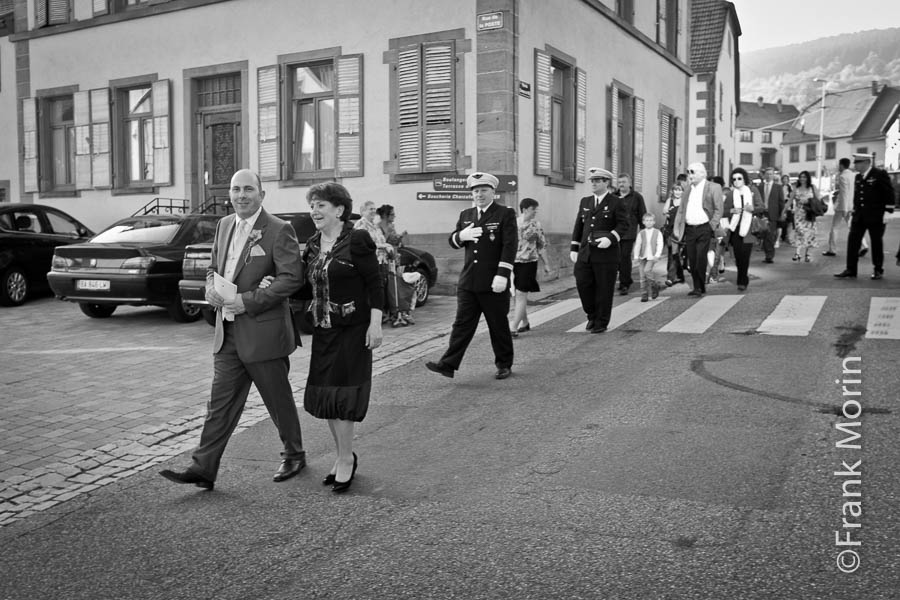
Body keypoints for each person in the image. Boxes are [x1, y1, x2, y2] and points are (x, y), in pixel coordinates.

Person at [159, 169, 305, 491]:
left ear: (261, 195)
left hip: (263, 332)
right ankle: (204, 467)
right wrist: (210, 287)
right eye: (236, 190)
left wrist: (247, 301)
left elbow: (291, 278)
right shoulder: (224, 225)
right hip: (227, 332)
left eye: (248, 189)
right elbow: (214, 268)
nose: (241, 195)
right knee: (220, 404)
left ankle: (294, 454)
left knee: (277, 400)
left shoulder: (279, 230)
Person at [299, 182, 384, 493]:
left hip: (353, 329)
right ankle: (342, 455)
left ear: (339, 210)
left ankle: (346, 459)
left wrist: (375, 324)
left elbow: (376, 283)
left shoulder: (357, 239)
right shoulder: (311, 244)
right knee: (327, 397)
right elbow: (305, 288)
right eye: (312, 205)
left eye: (320, 205)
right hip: (324, 330)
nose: (314, 211)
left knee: (343, 398)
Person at [425, 172, 517, 379]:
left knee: (497, 324)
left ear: (493, 192)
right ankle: (448, 364)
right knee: (461, 325)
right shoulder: (466, 215)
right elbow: (453, 241)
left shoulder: (504, 213)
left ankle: (504, 363)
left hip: (494, 281)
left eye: (483, 190)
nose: (479, 194)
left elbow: (510, 246)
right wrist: (460, 236)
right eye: (475, 191)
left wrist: (503, 274)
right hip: (469, 280)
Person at [570, 167, 628, 333]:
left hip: (606, 254)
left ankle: (601, 322)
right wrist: (574, 247)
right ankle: (592, 314)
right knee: (583, 284)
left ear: (606, 182)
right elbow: (579, 225)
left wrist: (610, 238)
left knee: (604, 289)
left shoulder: (617, 202)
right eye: (592, 181)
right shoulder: (585, 201)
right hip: (586, 252)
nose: (593, 183)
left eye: (597, 181)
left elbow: (624, 225)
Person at [835, 153, 896, 280]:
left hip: (876, 216)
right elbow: (858, 196)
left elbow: (889, 193)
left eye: (857, 162)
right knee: (853, 242)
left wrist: (887, 212)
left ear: (866, 162)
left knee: (876, 243)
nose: (855, 165)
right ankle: (851, 269)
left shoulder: (879, 174)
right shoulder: (858, 177)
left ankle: (878, 269)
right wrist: (854, 211)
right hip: (860, 216)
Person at [672, 162, 723, 298]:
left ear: (702, 173)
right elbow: (681, 210)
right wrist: (677, 228)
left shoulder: (713, 187)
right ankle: (697, 286)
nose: (690, 175)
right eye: (688, 172)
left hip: (704, 228)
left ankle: (699, 287)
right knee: (692, 260)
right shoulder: (688, 189)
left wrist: (711, 226)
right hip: (689, 229)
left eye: (692, 172)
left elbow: (719, 209)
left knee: (701, 258)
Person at [510, 197, 552, 337]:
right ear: (525, 209)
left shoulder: (536, 225)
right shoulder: (512, 224)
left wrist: (546, 264)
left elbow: (542, 246)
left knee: (521, 293)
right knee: (516, 294)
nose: (535, 212)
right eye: (534, 209)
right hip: (513, 263)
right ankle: (525, 322)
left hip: (529, 263)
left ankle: (513, 327)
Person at [723, 167, 765, 291]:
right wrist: (731, 211)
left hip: (749, 227)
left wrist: (753, 208)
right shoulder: (731, 194)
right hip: (735, 228)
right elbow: (723, 211)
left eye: (739, 178)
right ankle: (743, 276)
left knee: (745, 255)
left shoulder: (753, 190)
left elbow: (761, 207)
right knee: (738, 255)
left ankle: (742, 281)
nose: (736, 181)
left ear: (744, 179)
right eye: (734, 179)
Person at [376, 204, 414, 326]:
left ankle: (395, 311)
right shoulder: (378, 226)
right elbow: (382, 241)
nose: (394, 216)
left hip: (394, 257)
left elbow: (395, 241)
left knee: (394, 285)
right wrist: (390, 232)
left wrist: (400, 237)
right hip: (383, 260)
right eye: (392, 214)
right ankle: (385, 313)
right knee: (386, 286)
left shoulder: (392, 226)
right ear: (385, 215)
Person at [615, 173, 647, 295]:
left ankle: (624, 284)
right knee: (616, 258)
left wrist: (644, 234)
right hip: (615, 233)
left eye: (623, 182)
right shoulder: (613, 197)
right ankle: (626, 278)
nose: (621, 184)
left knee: (624, 257)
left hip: (629, 233)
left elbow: (642, 215)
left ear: (630, 183)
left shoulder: (637, 197)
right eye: (619, 182)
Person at [824, 158, 854, 257]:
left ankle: (832, 249)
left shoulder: (842, 176)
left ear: (841, 165)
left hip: (842, 206)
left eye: (839, 165)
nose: (838, 167)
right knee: (852, 227)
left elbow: (844, 193)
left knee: (835, 227)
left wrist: (844, 208)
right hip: (850, 205)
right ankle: (863, 245)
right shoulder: (852, 175)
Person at [789, 170, 820, 262]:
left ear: (808, 178)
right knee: (799, 232)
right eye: (801, 177)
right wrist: (783, 210)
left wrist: (808, 200)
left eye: (804, 177)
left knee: (809, 233)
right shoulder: (796, 188)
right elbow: (790, 200)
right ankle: (797, 253)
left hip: (809, 213)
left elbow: (818, 199)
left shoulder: (812, 187)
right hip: (799, 213)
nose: (802, 179)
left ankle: (808, 253)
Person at [632, 213, 664, 302]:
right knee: (642, 276)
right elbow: (638, 245)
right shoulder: (641, 233)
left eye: (650, 221)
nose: (649, 222)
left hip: (652, 257)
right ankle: (644, 294)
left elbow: (660, 244)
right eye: (646, 221)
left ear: (654, 222)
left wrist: (657, 255)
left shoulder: (657, 232)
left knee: (647, 270)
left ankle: (654, 285)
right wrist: (636, 256)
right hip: (643, 256)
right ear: (643, 222)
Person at [756, 167, 785, 263]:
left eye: (771, 174)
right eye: (767, 174)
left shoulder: (778, 187)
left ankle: (769, 255)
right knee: (764, 234)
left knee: (770, 234)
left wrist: (782, 214)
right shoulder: (760, 187)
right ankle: (767, 253)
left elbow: (781, 202)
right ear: (764, 175)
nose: (769, 176)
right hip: (762, 213)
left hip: (773, 214)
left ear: (773, 175)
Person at [661, 182, 685, 286]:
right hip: (670, 230)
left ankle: (670, 277)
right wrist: (667, 211)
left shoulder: (684, 202)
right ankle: (680, 275)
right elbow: (664, 211)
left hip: (680, 230)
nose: (678, 192)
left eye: (680, 190)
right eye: (676, 189)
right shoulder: (669, 201)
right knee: (672, 252)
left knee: (675, 253)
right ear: (673, 191)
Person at [779, 174, 793, 246]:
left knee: (789, 222)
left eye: (786, 179)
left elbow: (792, 198)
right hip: (782, 207)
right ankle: (782, 237)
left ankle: (788, 237)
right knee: (782, 223)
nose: (785, 180)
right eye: (784, 179)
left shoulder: (790, 187)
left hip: (789, 207)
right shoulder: (780, 187)